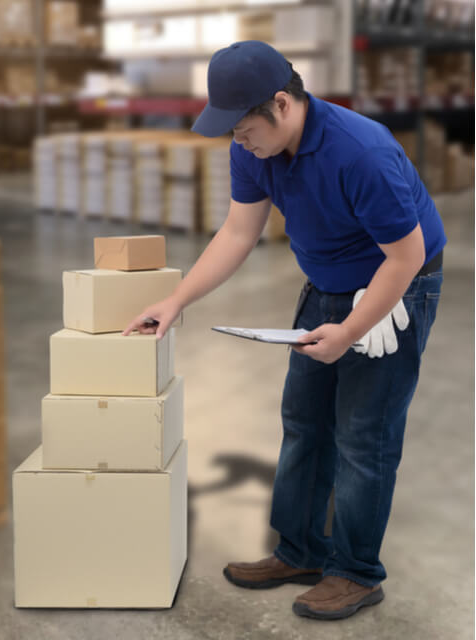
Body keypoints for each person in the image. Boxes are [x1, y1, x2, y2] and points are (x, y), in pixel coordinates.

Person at [122, 40, 446, 621]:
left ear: (281, 103)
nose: (237, 140)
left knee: (362, 436)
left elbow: (405, 256)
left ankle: (355, 572)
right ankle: (300, 551)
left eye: (243, 126)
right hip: (324, 283)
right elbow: (239, 233)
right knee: (303, 422)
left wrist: (351, 328)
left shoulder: (361, 151)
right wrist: (177, 301)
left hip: (395, 283)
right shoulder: (253, 149)